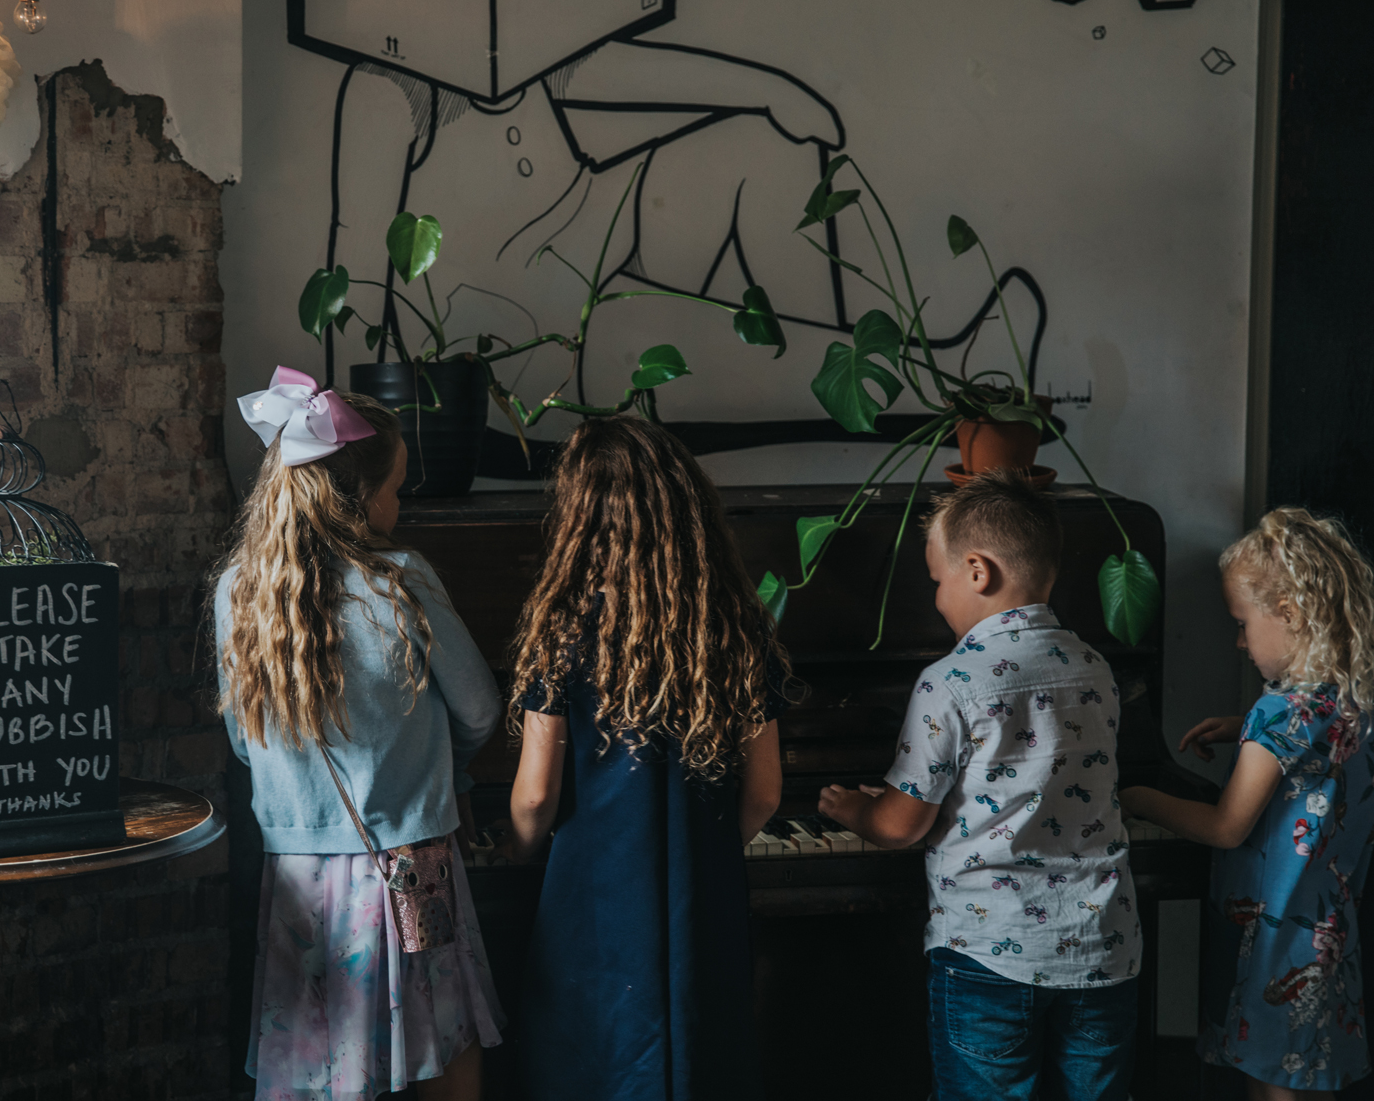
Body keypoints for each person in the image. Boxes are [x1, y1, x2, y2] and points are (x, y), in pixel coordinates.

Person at [213, 367, 504, 1101]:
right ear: (358, 495)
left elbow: (246, 745)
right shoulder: (402, 578)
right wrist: (445, 771)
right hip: (413, 862)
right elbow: (479, 708)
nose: (400, 503)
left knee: (317, 1062)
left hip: (298, 875)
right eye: (396, 487)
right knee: (445, 1049)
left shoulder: (238, 589)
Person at [819, 470, 1140, 1101]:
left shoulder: (951, 680)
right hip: (1103, 949)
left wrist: (853, 807)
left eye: (937, 582)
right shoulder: (1096, 667)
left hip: (989, 955)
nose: (937, 598)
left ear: (977, 571)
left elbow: (899, 825)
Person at [500, 415, 789, 1101]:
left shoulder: (562, 630)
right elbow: (767, 792)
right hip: (701, 894)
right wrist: (707, 848)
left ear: (578, 519)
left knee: (590, 1065)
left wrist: (513, 857)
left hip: (588, 900)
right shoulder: (736, 626)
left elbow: (535, 796)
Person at [1122, 508, 1374, 1100]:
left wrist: (1138, 798)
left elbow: (1226, 826)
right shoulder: (1347, 701)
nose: (1238, 641)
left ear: (1287, 613)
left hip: (1272, 936)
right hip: (1327, 924)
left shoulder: (1276, 713)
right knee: (1305, 1065)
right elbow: (1317, 760)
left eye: (1241, 623)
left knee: (1269, 1081)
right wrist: (1245, 730)